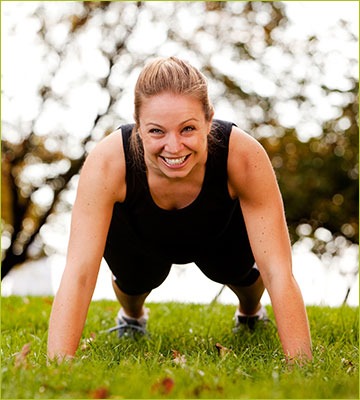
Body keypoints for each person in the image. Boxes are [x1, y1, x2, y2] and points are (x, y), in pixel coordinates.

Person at [47, 56, 312, 363]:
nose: (173, 147)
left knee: (239, 273)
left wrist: (302, 365)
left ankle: (250, 313)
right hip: (141, 238)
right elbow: (79, 272)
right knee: (134, 282)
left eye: (187, 129)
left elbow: (277, 270)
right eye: (157, 131)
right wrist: (57, 369)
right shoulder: (108, 163)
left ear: (209, 120)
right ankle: (133, 319)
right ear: (138, 126)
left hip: (221, 235)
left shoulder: (242, 155)